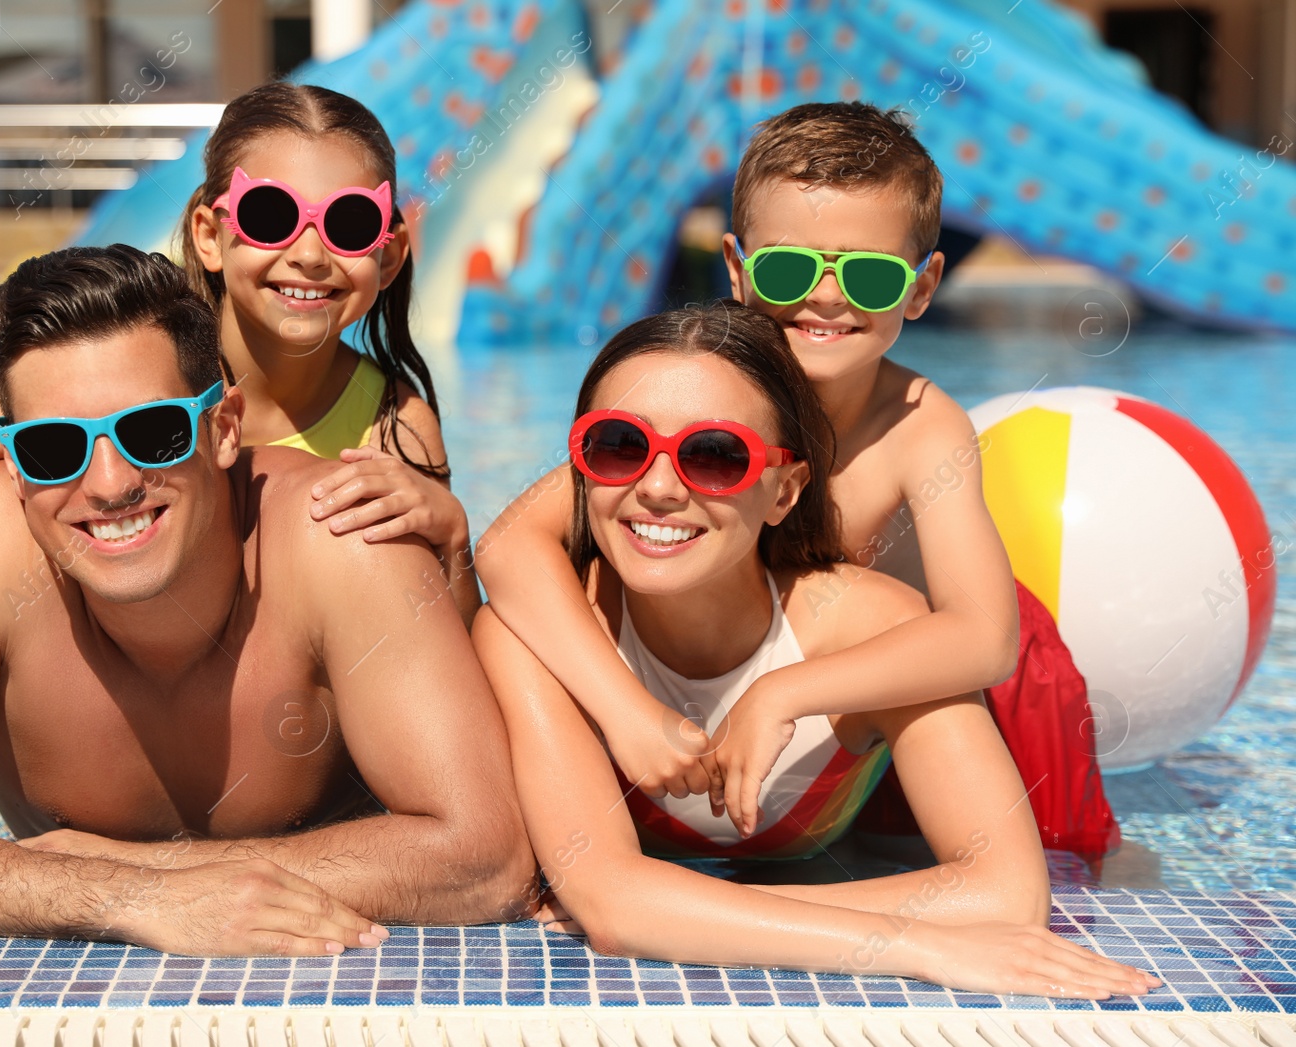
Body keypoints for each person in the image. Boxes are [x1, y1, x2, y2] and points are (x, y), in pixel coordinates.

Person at [0, 83, 482, 932]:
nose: (310, 255)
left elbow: (441, 646)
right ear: (210, 231)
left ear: (387, 255)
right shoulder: (123, 377)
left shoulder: (397, 422)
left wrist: (454, 542)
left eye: (348, 226)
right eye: (274, 216)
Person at [476, 101, 1118, 857]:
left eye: (870, 278)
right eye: (789, 267)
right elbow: (510, 547)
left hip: (919, 678)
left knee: (1052, 868)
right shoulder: (701, 391)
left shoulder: (917, 425)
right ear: (739, 272)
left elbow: (983, 637)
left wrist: (781, 693)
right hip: (764, 672)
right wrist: (626, 710)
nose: (825, 298)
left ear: (922, 285)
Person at [472, 302, 1155, 996]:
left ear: (785, 489)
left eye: (715, 456)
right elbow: (619, 910)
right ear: (582, 467)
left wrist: (676, 908)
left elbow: (1007, 896)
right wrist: (917, 943)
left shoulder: (875, 629)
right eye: (618, 444)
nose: (655, 487)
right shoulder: (535, 639)